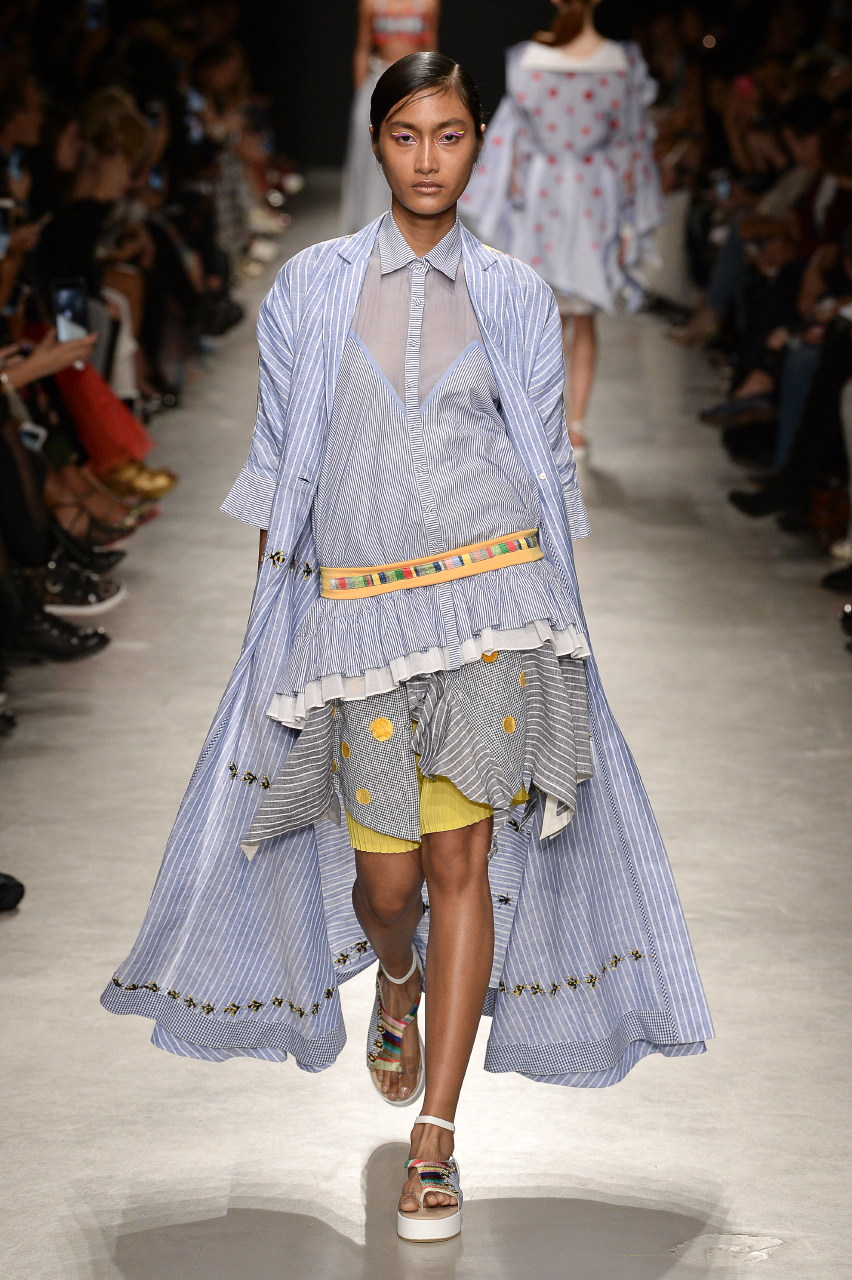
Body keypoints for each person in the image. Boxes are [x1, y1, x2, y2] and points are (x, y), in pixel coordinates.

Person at [102, 53, 712, 1244]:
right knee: (389, 887)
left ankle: (436, 1136)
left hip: (491, 608)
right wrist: (273, 628)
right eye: (406, 135)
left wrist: (567, 635)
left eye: (450, 135)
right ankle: (395, 976)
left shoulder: (518, 293)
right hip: (359, 618)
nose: (429, 159)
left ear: (479, 142)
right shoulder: (310, 287)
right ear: (377, 142)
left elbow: (545, 468)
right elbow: (282, 467)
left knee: (460, 860)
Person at [461, 0, 664, 458]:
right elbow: (631, 148)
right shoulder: (618, 63)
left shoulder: (529, 61)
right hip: (594, 197)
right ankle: (574, 426)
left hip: (544, 194)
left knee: (541, 316)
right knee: (581, 316)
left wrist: (511, 207)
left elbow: (512, 145)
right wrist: (629, 221)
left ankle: (542, 421)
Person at [341, 0, 439, 233]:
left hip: (414, 85)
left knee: (408, 154)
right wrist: (361, 97)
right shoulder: (371, 4)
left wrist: (432, 94)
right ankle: (365, 226)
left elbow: (430, 48)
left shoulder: (428, 3)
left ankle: (406, 226)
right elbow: (363, 48)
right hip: (377, 82)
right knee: (368, 156)